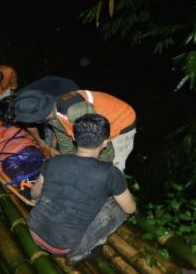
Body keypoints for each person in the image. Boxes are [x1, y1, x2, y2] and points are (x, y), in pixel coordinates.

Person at [27, 113, 137, 265]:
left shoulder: (54, 161)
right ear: (105, 142)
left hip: (33, 229)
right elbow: (130, 209)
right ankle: (80, 251)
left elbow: (34, 193)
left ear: (73, 138)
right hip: (63, 245)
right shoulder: (111, 174)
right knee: (119, 210)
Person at [14, 81, 136, 172]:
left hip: (120, 122)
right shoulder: (50, 113)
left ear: (37, 118)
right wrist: (69, 161)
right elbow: (64, 139)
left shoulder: (74, 111)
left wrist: (101, 168)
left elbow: (101, 142)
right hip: (96, 126)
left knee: (111, 170)